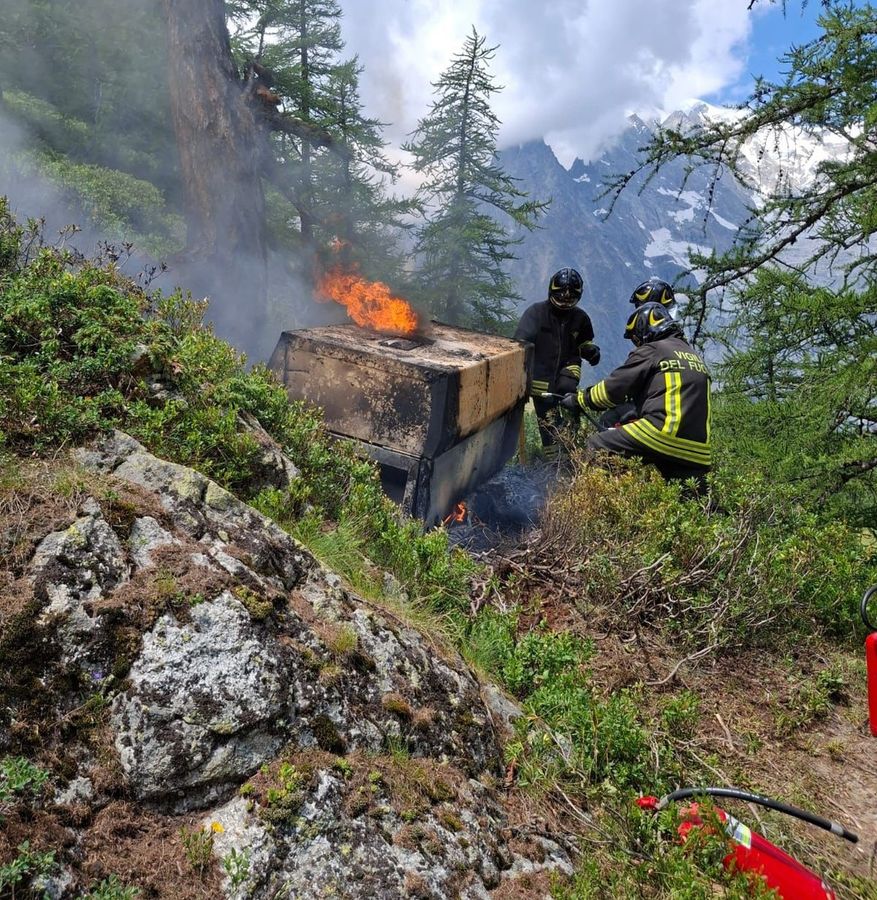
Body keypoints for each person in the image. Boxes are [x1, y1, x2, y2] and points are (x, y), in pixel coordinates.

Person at [561, 301, 711, 485]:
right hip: (698, 449)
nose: (637, 344)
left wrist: (580, 400)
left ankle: (598, 498)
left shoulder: (654, 349)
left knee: (598, 444)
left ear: (644, 330)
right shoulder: (693, 356)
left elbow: (613, 389)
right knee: (691, 493)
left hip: (662, 433)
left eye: (636, 339)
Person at [514, 267, 600, 457]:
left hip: (568, 368)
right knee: (548, 420)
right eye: (560, 297)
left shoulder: (581, 318)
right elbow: (519, 344)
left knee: (570, 405)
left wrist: (591, 351)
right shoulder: (536, 313)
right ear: (551, 291)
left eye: (570, 299)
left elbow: (585, 342)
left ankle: (573, 451)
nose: (564, 301)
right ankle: (555, 462)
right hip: (540, 375)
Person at [598, 276, 678, 430]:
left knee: (609, 420)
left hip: (659, 412)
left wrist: (586, 399)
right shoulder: (675, 336)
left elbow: (624, 380)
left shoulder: (655, 345)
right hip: (672, 410)